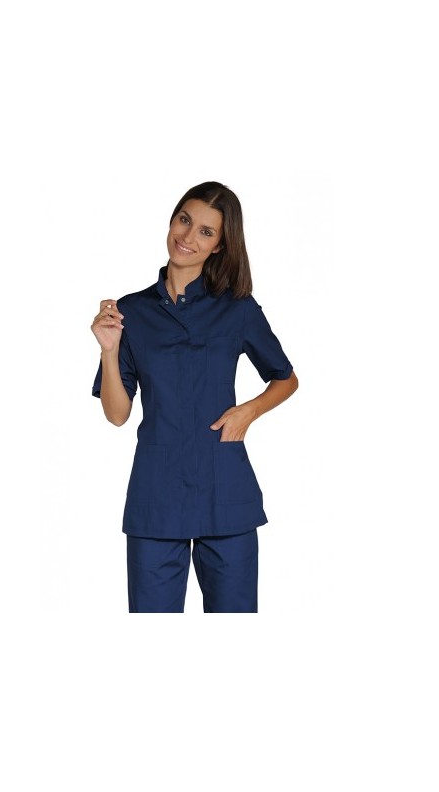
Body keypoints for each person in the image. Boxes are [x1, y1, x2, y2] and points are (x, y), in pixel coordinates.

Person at [90, 181, 298, 613]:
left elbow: (285, 378)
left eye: (206, 231)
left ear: (220, 245)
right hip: (156, 491)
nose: (187, 237)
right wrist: (109, 351)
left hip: (224, 485)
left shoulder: (237, 308)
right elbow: (117, 413)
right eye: (184, 220)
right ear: (172, 220)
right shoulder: (132, 312)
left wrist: (248, 412)